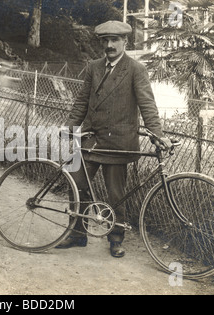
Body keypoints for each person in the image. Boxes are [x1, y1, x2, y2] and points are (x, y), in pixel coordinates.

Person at [56, 20, 172, 258]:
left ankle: (116, 238)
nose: (109, 45)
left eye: (114, 40)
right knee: (76, 184)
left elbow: (147, 105)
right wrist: (70, 127)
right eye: (105, 41)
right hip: (90, 139)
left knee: (116, 195)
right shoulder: (93, 67)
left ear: (125, 42)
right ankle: (78, 232)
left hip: (118, 143)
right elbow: (81, 101)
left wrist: (156, 134)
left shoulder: (135, 69)